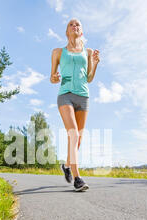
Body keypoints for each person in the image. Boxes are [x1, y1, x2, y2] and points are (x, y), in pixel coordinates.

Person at [50, 18, 100, 192]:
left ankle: (66, 165)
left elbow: (89, 78)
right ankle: (77, 178)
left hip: (83, 96)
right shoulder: (57, 52)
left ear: (82, 31)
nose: (75, 26)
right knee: (72, 134)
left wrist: (95, 64)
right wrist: (55, 78)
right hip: (65, 95)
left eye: (78, 24)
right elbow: (52, 77)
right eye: (72, 24)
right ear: (67, 31)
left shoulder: (88, 52)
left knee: (78, 139)